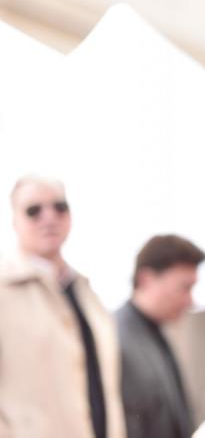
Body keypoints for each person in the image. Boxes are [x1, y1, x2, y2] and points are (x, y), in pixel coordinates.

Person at [0, 175, 126, 438]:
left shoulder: (86, 293)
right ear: (14, 221)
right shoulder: (4, 291)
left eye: (59, 207)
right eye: (34, 210)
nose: (49, 217)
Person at [115, 234, 205, 438]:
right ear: (146, 279)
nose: (190, 301)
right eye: (185, 288)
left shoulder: (151, 332)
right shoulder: (117, 340)